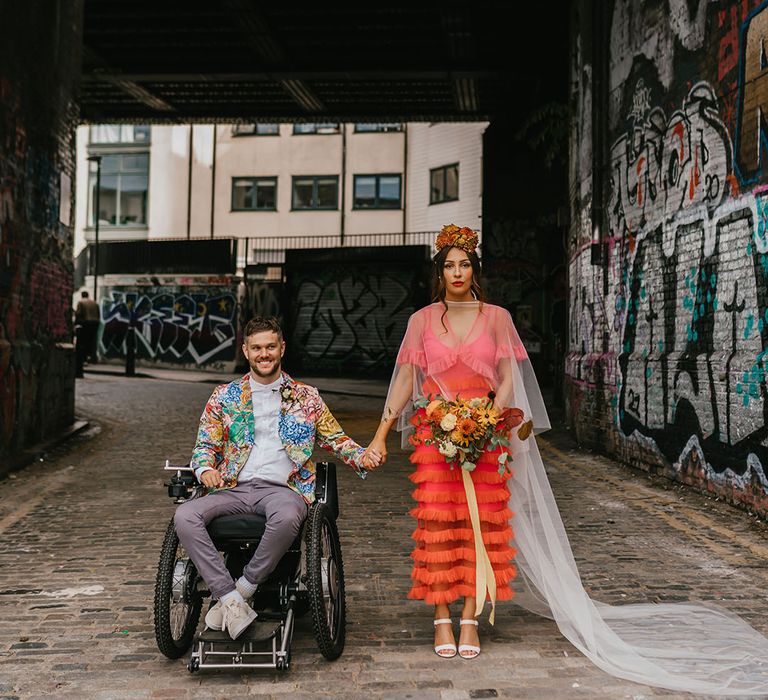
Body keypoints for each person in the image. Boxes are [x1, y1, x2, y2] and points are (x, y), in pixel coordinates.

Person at [364, 224, 768, 693]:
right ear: (439, 272)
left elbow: (508, 377)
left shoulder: (496, 317)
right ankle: (439, 616)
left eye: (465, 264)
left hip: (484, 437)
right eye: (449, 265)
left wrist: (489, 421)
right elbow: (405, 382)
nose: (457, 272)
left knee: (484, 530)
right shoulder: (420, 321)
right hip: (436, 441)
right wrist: (379, 435)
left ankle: (470, 617)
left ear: (475, 269)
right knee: (440, 529)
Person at [175, 316, 381, 640]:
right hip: (234, 486)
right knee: (185, 516)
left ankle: (242, 589)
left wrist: (363, 455)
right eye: (256, 348)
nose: (264, 354)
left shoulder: (307, 397)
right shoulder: (224, 397)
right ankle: (230, 600)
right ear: (246, 350)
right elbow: (205, 445)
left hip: (283, 488)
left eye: (270, 346)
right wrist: (206, 470)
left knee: (288, 518)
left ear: (281, 348)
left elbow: (336, 439)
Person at [74, 291, 100, 375]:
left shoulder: (81, 302)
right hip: (95, 323)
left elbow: (79, 313)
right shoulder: (94, 303)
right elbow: (98, 314)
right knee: (91, 341)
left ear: (82, 295)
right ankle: (91, 357)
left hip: (86, 323)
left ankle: (83, 359)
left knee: (83, 342)